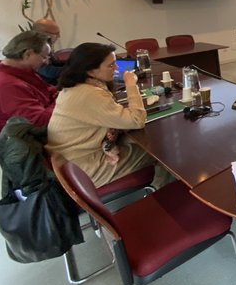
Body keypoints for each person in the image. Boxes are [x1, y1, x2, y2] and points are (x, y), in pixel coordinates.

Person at [46, 43, 171, 189]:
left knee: (137, 142)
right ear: (91, 71)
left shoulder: (75, 86)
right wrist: (131, 84)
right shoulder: (89, 94)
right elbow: (137, 120)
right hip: (83, 168)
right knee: (162, 152)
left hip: (69, 159)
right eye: (111, 65)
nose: (117, 68)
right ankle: (158, 193)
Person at [0, 31, 57, 140]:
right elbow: (39, 122)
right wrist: (62, 101)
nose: (46, 62)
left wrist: (61, 92)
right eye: (44, 57)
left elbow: (45, 90)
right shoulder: (7, 85)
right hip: (29, 140)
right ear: (28, 54)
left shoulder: (8, 71)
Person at [32, 18, 65, 85]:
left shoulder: (46, 46)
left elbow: (54, 62)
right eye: (56, 34)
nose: (59, 36)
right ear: (44, 34)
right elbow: (48, 72)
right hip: (43, 86)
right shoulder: (35, 49)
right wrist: (74, 69)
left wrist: (72, 61)